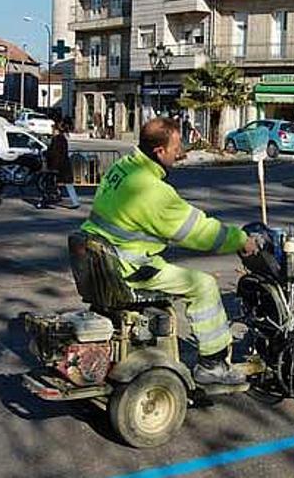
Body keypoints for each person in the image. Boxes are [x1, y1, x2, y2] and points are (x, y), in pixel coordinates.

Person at [80, 118, 258, 386]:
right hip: (131, 268)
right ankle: (212, 366)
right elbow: (199, 232)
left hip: (103, 258)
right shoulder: (151, 191)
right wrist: (241, 240)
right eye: (176, 147)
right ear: (159, 152)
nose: (182, 152)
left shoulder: (122, 168)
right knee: (204, 285)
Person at [45, 121, 80, 209]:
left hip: (59, 165)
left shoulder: (57, 139)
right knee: (66, 184)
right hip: (63, 164)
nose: (52, 131)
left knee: (57, 183)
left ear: (56, 130)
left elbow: (55, 153)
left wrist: (52, 164)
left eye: (53, 129)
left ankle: (53, 199)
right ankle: (73, 201)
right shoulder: (62, 138)